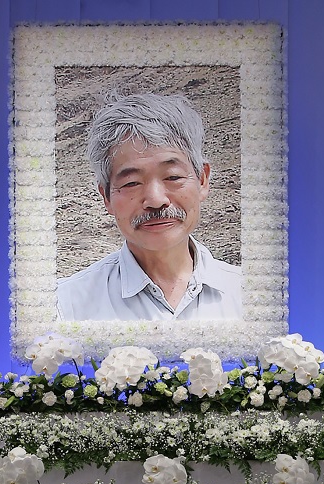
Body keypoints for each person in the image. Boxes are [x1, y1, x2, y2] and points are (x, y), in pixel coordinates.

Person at [56, 92, 242, 321]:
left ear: (202, 180)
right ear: (106, 197)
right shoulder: (66, 308)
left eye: (172, 177)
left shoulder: (253, 298)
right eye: (131, 183)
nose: (155, 200)